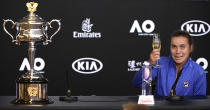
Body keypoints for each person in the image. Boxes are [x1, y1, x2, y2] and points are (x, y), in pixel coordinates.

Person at [132, 30, 206, 97]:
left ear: (190, 48)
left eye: (182, 47)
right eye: (174, 47)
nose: (178, 51)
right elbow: (137, 83)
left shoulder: (198, 72)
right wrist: (149, 64)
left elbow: (199, 102)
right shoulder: (160, 62)